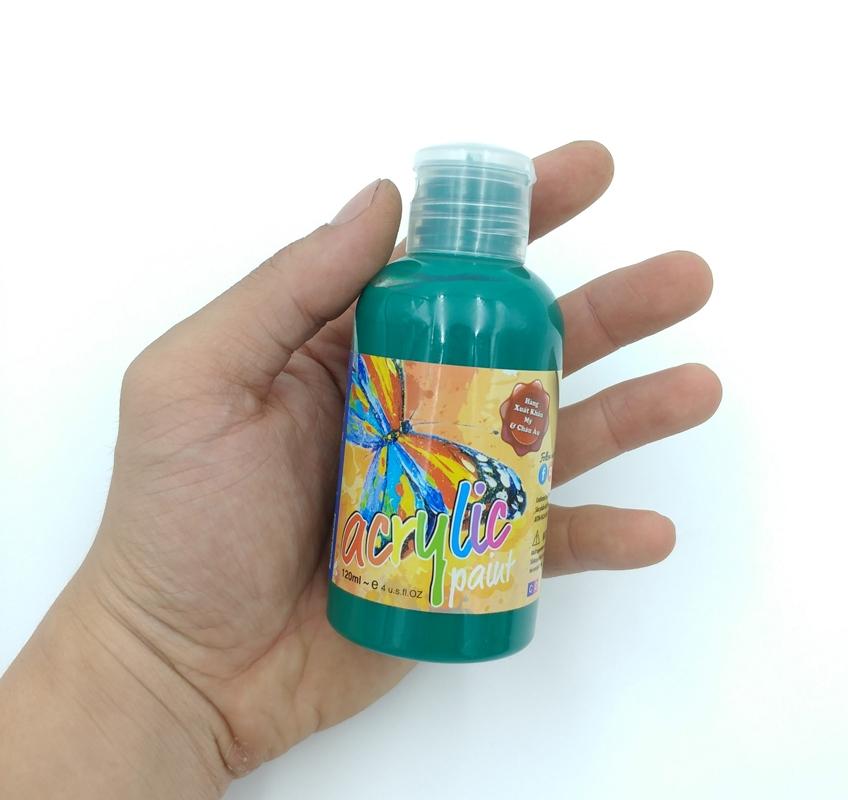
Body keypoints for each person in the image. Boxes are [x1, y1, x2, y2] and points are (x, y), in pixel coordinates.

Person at [0, 140, 721, 798]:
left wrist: (156, 684)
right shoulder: (407, 295)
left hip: (443, 564)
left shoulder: (516, 307)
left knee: (447, 485)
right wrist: (155, 661)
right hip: (369, 550)